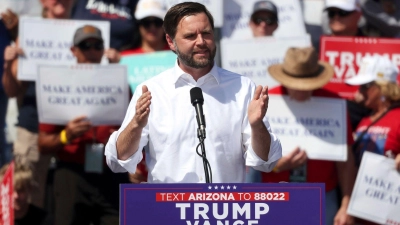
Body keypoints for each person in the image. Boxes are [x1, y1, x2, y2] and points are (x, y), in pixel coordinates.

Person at [105, 2, 282, 183]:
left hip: (225, 208)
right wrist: (136, 125)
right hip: (167, 208)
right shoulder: (152, 91)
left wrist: (257, 125)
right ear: (170, 42)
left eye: (206, 33)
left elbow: (266, 162)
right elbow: (117, 161)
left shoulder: (243, 88)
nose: (201, 42)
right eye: (190, 36)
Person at [38, 25, 127, 225]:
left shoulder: (119, 81)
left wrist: (122, 135)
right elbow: (42, 144)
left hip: (110, 172)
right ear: (73, 50)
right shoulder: (58, 85)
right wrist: (65, 136)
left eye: (98, 46)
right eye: (86, 46)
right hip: (72, 172)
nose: (92, 51)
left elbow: (137, 127)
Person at [265, 47, 357, 225]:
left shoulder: (334, 104)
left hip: (321, 197)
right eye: (295, 86)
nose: (301, 92)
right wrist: (275, 165)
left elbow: (345, 160)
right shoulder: (266, 100)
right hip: (274, 195)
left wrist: (346, 205)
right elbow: (246, 155)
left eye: (308, 87)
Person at [1, 0, 75, 209]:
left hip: (74, 133)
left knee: (68, 206)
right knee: (25, 204)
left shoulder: (85, 35)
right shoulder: (29, 34)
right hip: (32, 128)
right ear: (43, 1)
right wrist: (9, 64)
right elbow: (12, 90)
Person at [345, 55, 400, 225]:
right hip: (362, 211)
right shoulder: (364, 119)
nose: (359, 91)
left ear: (383, 87)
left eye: (365, 86)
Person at [324, 0, 372, 131]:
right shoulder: (316, 48)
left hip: (360, 120)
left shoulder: (375, 46)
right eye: (331, 13)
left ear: (358, 14)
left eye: (343, 13)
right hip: (324, 118)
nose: (336, 17)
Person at [71, 0, 139, 51]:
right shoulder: (78, 2)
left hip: (122, 62)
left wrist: (122, 57)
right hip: (81, 62)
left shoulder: (133, 3)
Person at [0, 159, 52, 225]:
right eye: (11, 191)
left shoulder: (43, 219)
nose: (16, 196)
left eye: (20, 190)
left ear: (30, 189)